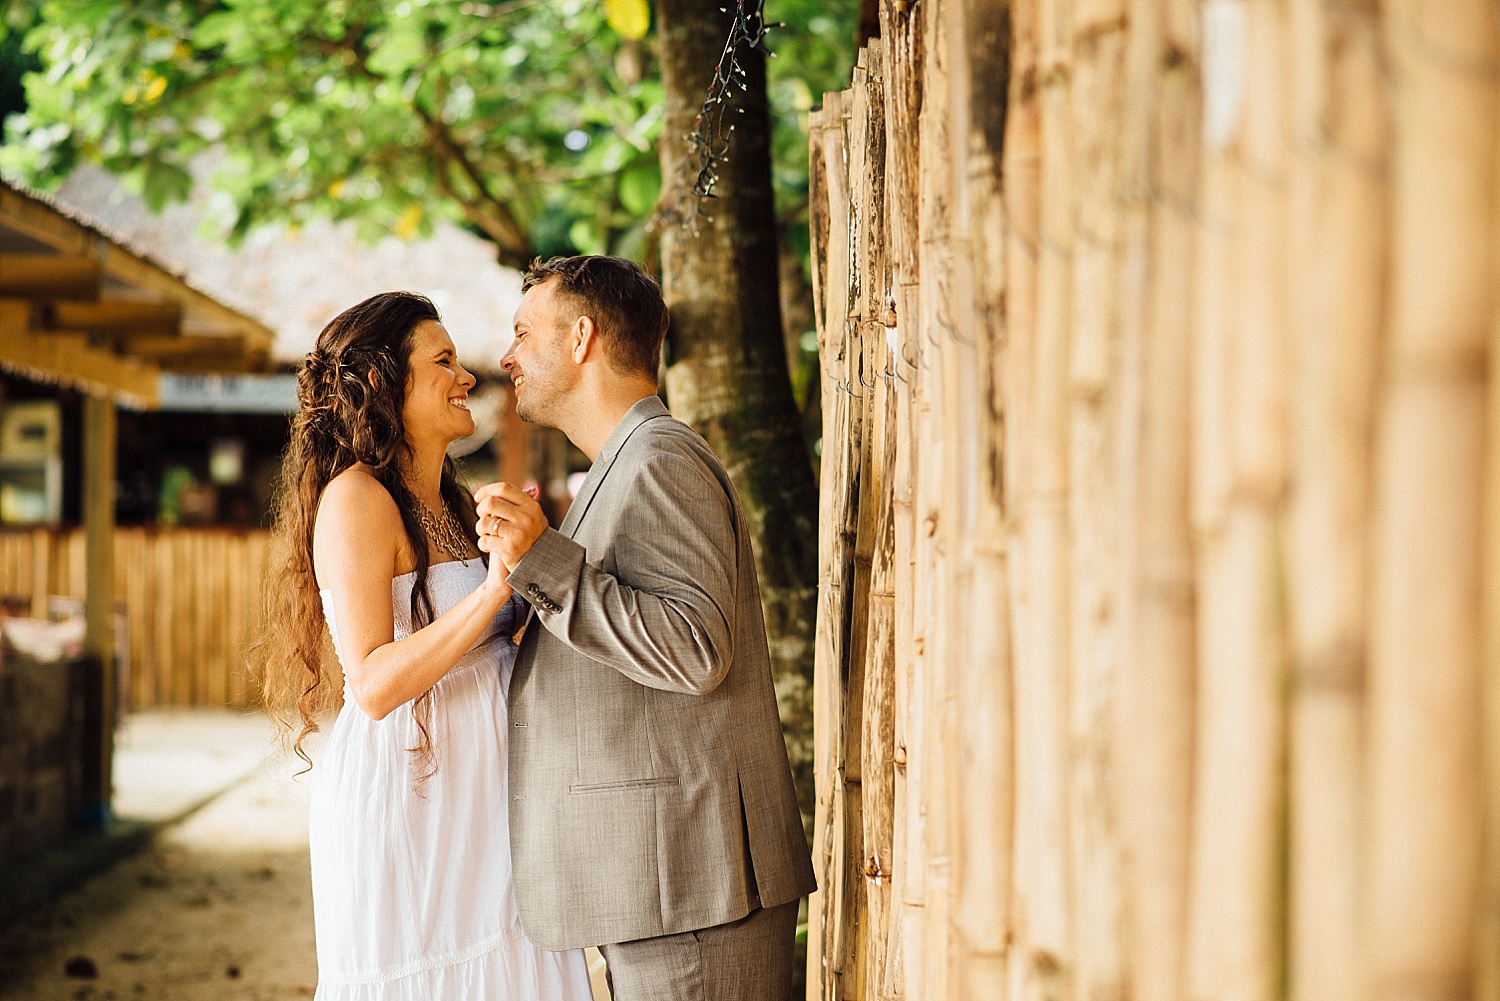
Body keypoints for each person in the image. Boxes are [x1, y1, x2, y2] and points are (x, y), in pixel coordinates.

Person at [474, 256, 817, 1000]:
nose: (507, 357)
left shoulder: (660, 459)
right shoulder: (617, 464)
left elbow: (695, 648)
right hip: (669, 887)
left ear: (582, 338)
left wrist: (543, 559)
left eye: (523, 332)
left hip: (696, 892)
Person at [259, 291, 594, 1001]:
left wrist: (535, 565)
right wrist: (496, 591)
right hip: (411, 806)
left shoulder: (452, 501)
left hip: (483, 805)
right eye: (443, 361)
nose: (467, 375)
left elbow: (490, 646)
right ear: (383, 383)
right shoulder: (357, 498)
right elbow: (374, 683)